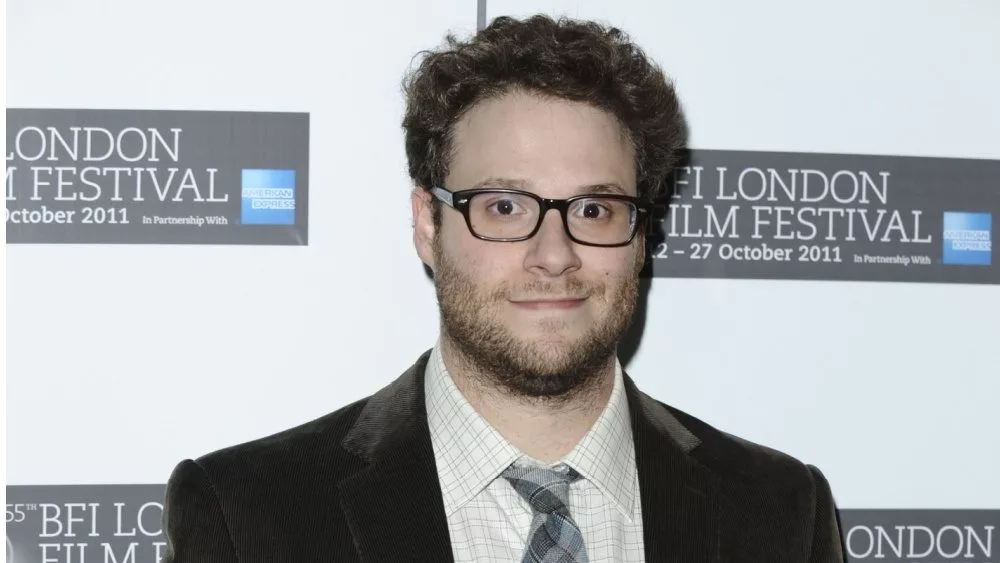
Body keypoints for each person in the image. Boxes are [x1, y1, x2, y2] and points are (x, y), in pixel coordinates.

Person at [162, 14, 846, 563]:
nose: (555, 255)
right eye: (506, 208)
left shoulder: (781, 512)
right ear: (429, 224)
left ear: (641, 236)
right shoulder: (248, 516)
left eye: (594, 210)